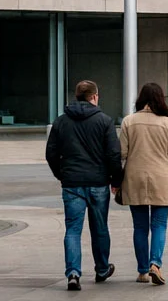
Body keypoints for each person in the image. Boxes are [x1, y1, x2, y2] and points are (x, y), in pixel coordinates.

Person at [45, 80, 122, 291]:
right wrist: (116, 179)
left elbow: (51, 153)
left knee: (72, 230)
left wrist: (61, 174)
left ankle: (73, 273)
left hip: (72, 184)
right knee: (100, 228)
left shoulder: (61, 121)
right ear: (94, 97)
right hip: (98, 182)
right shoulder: (105, 121)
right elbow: (113, 154)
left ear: (77, 96)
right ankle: (102, 268)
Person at [118, 82, 168, 286]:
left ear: (141, 98)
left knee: (139, 227)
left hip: (134, 179)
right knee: (159, 225)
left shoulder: (129, 122)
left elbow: (121, 154)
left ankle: (142, 270)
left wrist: (116, 181)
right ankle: (155, 263)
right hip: (162, 180)